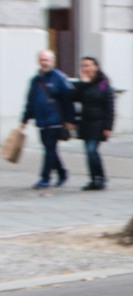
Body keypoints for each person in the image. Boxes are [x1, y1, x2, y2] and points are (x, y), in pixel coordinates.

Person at [21, 49, 76, 189]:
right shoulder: (36, 80)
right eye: (42, 60)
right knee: (50, 148)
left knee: (49, 149)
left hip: (55, 120)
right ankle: (62, 173)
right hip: (41, 121)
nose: (44, 63)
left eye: (47, 60)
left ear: (53, 61)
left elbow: (67, 100)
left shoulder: (59, 78)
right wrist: (25, 119)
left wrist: (70, 119)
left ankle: (45, 178)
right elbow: (30, 101)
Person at [73, 57, 113, 191]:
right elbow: (73, 97)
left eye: (88, 65)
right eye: (83, 66)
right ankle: (93, 179)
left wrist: (108, 126)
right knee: (88, 152)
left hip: (99, 123)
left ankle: (100, 177)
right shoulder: (83, 84)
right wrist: (83, 83)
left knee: (92, 150)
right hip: (85, 123)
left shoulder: (103, 84)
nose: (86, 68)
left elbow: (109, 107)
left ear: (96, 67)